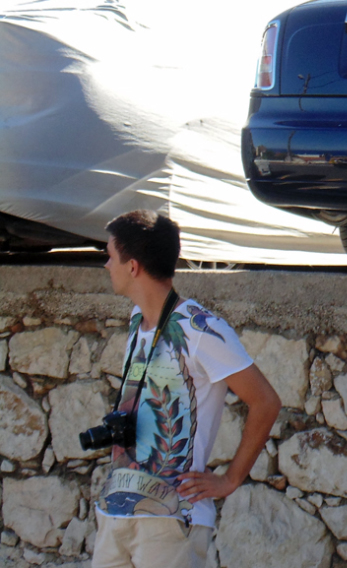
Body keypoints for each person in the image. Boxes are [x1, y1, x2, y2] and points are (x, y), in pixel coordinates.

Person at [92, 210, 282, 568]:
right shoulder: (137, 321)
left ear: (133, 266)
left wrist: (230, 479)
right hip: (117, 509)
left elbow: (266, 401)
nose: (106, 265)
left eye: (110, 256)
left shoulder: (201, 328)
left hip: (171, 519)